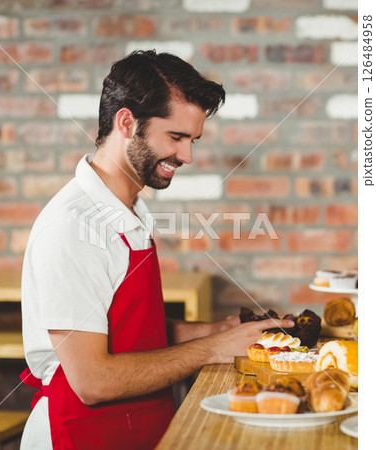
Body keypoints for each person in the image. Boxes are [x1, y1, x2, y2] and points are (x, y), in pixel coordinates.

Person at [20, 50, 294, 450]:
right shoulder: (74, 225)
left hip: (137, 429)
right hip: (79, 435)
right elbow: (93, 380)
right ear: (127, 123)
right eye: (177, 137)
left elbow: (128, 334)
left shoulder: (127, 210)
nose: (187, 156)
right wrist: (214, 349)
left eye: (192, 140)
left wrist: (220, 332)